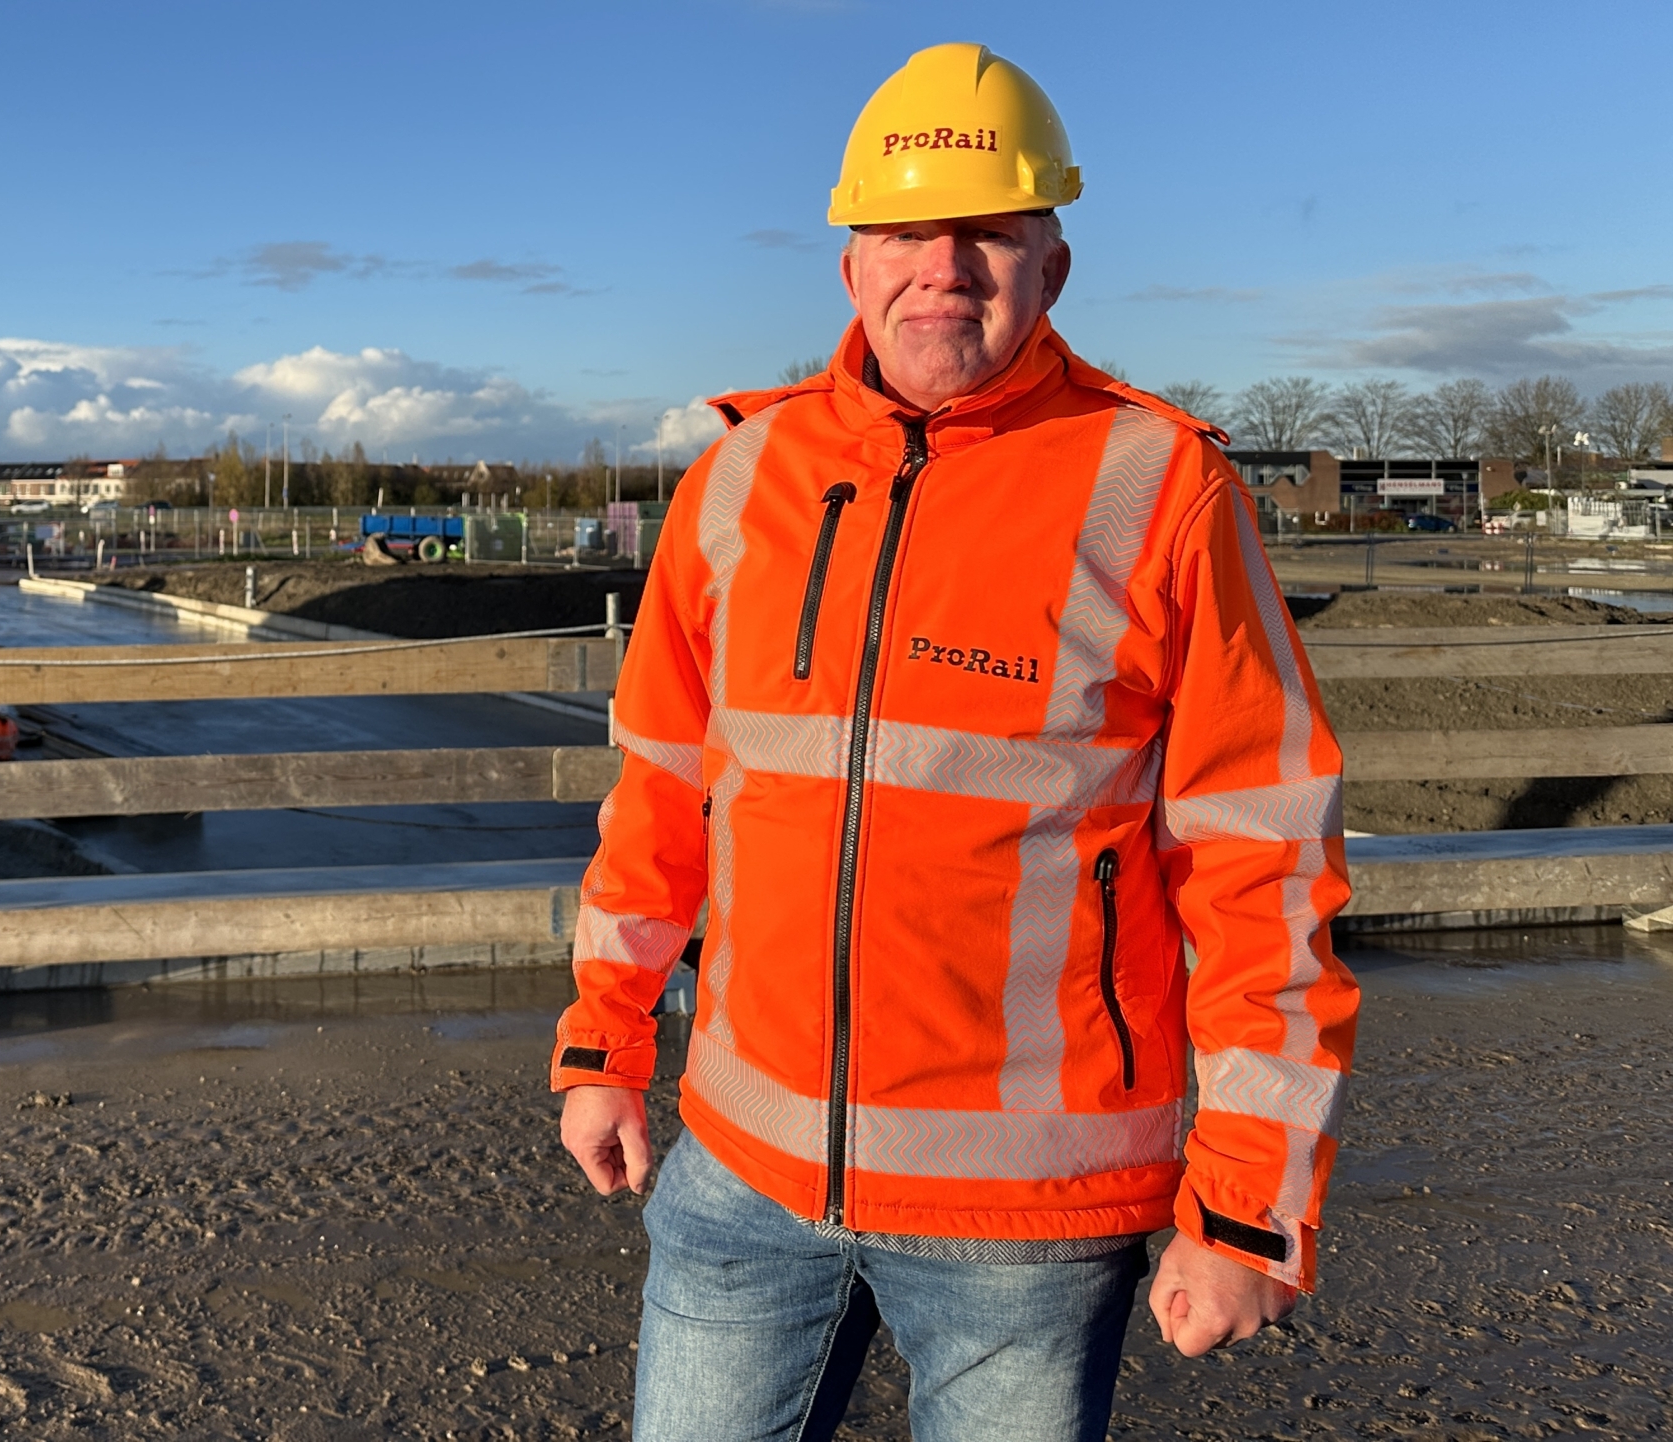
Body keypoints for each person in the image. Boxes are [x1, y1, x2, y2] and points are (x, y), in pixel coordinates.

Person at [551, 42, 1359, 1442]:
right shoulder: (740, 479)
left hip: (1028, 1221)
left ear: (1054, 262)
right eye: (904, 230)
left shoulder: (1160, 487)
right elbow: (663, 791)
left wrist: (1248, 1202)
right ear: (851, 262)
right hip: (742, 1179)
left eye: (987, 230)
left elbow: (1263, 858)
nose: (943, 266)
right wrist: (604, 1045)